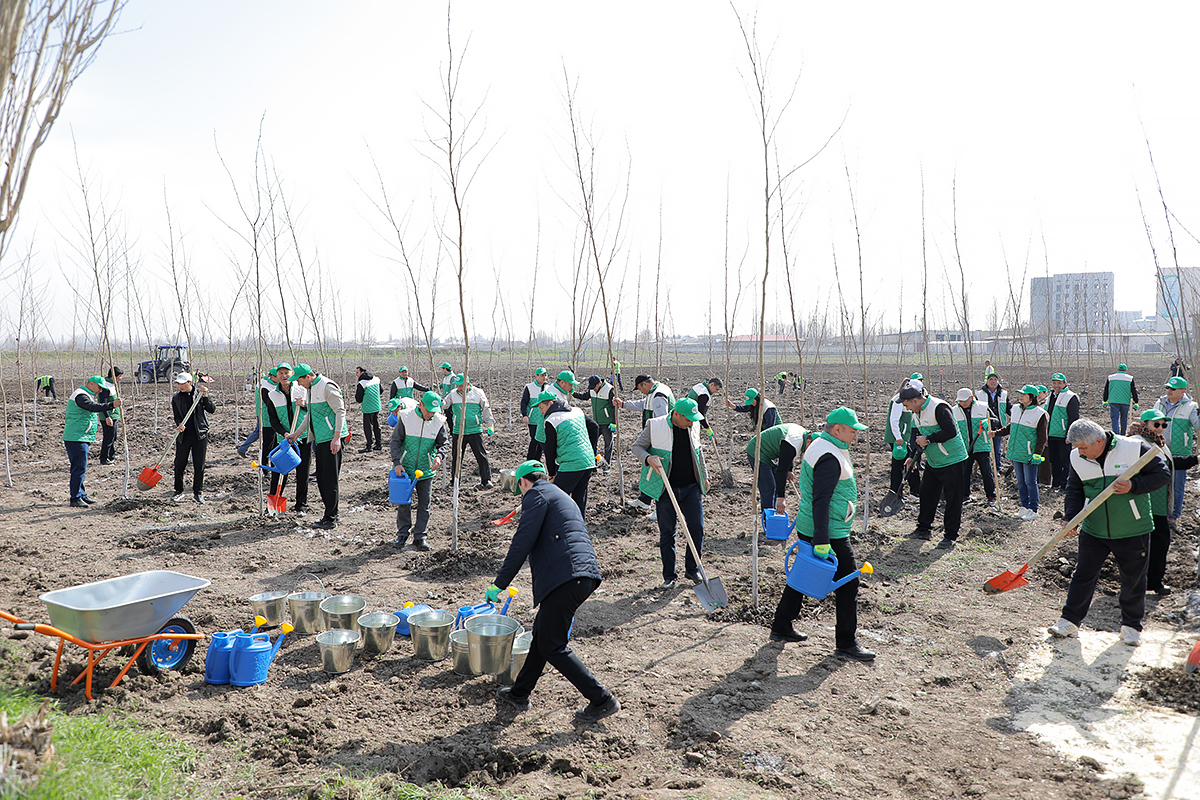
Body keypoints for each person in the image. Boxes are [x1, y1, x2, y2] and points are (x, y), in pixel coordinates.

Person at [490, 460, 618, 722]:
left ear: (523, 482)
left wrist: (500, 583)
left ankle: (602, 700)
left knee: (552, 645)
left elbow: (522, 542)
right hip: (581, 575)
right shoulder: (558, 494)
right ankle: (520, 693)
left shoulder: (535, 495)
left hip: (567, 577)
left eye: (520, 488)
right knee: (542, 635)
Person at [1048, 418, 1169, 647]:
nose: (1080, 452)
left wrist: (1133, 486)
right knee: (1083, 575)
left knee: (1133, 579)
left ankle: (1131, 627)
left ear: (1099, 441)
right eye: (1077, 448)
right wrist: (1071, 518)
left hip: (1132, 527)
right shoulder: (1077, 457)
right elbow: (1074, 489)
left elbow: (1162, 475)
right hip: (1094, 529)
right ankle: (1069, 621)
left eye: (1083, 447)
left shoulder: (1134, 448)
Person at [769, 407, 875, 661]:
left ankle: (781, 624)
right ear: (837, 429)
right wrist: (822, 539)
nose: (856, 436)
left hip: (816, 525)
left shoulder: (822, 445)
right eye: (852, 431)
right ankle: (846, 642)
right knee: (849, 581)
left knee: (803, 573)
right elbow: (821, 499)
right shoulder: (828, 455)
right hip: (829, 530)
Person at [631, 398, 708, 589]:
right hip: (665, 488)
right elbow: (637, 447)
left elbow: (698, 451)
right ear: (676, 414)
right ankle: (669, 576)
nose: (691, 423)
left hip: (691, 487)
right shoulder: (655, 426)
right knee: (667, 532)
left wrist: (705, 475)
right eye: (688, 419)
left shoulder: (693, 425)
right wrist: (648, 458)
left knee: (697, 528)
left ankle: (692, 569)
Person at [1129, 410, 1191, 598]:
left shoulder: (1158, 444)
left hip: (1158, 503)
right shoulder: (1137, 443)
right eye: (1156, 424)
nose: (1161, 428)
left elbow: (1169, 463)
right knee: (1144, 544)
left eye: (1164, 425)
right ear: (1144, 424)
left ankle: (1152, 581)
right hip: (1144, 501)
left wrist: (1195, 460)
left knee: (1159, 542)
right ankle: (1140, 583)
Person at [901, 381, 967, 547]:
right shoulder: (917, 413)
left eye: (906, 405)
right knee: (926, 494)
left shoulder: (939, 407)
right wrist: (912, 457)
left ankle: (950, 536)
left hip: (952, 460)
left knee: (952, 499)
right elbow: (920, 438)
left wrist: (929, 439)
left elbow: (951, 431)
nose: (906, 409)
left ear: (915, 400)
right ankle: (924, 529)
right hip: (934, 461)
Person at [287, 364, 348, 530]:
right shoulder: (311, 389)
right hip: (320, 438)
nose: (298, 384)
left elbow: (340, 411)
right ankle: (332, 513)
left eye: (299, 380)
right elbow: (310, 415)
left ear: (308, 377)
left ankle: (331, 518)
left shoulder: (327, 386)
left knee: (329, 479)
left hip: (331, 439)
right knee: (321, 478)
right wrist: (296, 434)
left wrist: (336, 438)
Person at [390, 391, 448, 551]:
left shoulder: (439, 421)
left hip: (426, 470)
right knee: (404, 503)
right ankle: (402, 534)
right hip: (405, 469)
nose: (430, 414)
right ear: (421, 404)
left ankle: (420, 536)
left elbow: (444, 443)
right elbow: (395, 441)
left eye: (434, 411)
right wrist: (397, 463)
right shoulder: (406, 417)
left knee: (424, 504)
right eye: (428, 410)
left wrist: (439, 457)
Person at [1155, 376, 1199, 572]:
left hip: (1180, 451)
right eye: (1168, 388)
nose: (1169, 391)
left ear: (1183, 391)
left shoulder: (1190, 407)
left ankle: (1173, 516)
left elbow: (1197, 425)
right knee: (1158, 484)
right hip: (1159, 450)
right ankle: (1160, 513)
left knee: (1177, 485)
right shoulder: (1159, 403)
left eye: (1172, 389)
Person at [537, 389, 600, 516]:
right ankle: (579, 525)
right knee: (579, 500)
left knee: (556, 500)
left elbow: (549, 450)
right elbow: (594, 427)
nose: (541, 412)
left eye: (542, 408)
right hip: (587, 463)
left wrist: (552, 473)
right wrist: (591, 451)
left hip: (571, 465)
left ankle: (557, 526)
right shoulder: (577, 411)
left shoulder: (551, 420)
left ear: (550, 404)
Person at [62, 375, 122, 507]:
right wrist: (112, 405)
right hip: (76, 437)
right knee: (78, 468)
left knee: (81, 467)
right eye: (99, 388)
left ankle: (81, 495)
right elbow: (92, 407)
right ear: (91, 384)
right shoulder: (80, 395)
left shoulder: (85, 394)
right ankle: (75, 498)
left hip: (80, 436)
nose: (100, 391)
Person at [991, 384, 1048, 520]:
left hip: (1029, 454)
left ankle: (1033, 509)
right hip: (1016, 451)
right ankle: (1024, 506)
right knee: (1021, 482)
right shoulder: (1016, 409)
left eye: (1024, 394)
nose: (1020, 396)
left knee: (1030, 482)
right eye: (1020, 394)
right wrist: (995, 433)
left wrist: (1037, 454)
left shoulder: (1040, 414)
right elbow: (1011, 427)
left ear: (1032, 397)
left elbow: (1042, 437)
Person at [746, 422, 815, 514]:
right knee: (769, 487)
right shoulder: (794, 442)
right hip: (758, 450)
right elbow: (782, 469)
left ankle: (775, 513)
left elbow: (788, 455)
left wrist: (789, 470)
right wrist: (781, 498)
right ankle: (768, 518)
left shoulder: (802, 435)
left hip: (772, 453)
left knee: (775, 484)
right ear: (808, 441)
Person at [442, 374, 495, 489]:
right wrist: (438, 401)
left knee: (481, 455)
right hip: (458, 431)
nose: (459, 388)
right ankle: (455, 481)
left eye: (461, 386)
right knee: (457, 457)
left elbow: (486, 408)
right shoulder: (453, 394)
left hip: (475, 429)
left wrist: (490, 424)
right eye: (457, 386)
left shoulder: (478, 393)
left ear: (468, 384)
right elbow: (444, 405)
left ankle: (486, 480)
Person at [171, 372, 215, 503]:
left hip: (200, 434)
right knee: (179, 463)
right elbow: (177, 416)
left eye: (182, 384)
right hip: (184, 436)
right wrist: (179, 424)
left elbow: (212, 409)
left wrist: (205, 396)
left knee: (199, 464)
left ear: (190, 383)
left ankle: (198, 493)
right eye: (178, 384)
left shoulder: (199, 394)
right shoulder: (176, 399)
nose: (180, 386)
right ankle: (178, 491)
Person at [954, 387, 996, 506]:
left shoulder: (982, 407)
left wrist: (988, 422)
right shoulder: (954, 411)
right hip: (964, 447)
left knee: (986, 471)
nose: (963, 403)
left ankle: (991, 495)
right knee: (965, 472)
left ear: (972, 398)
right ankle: (964, 495)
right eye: (960, 401)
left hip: (981, 445)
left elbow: (996, 421)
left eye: (965, 400)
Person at [884, 378, 921, 505]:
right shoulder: (899, 401)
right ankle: (914, 491)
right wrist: (898, 438)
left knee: (900, 464)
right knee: (908, 462)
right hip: (899, 438)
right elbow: (894, 420)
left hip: (902, 437)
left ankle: (897, 493)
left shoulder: (902, 398)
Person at [1046, 373, 1080, 491]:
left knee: (1065, 461)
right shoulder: (1050, 396)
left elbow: (1073, 418)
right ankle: (1055, 483)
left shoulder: (1070, 397)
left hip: (1063, 435)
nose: (1056, 385)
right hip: (1051, 434)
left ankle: (1064, 484)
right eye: (1054, 383)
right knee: (1054, 461)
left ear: (1065, 383)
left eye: (1059, 383)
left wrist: (1070, 435)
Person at [573, 374, 616, 468]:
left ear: (599, 383)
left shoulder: (609, 390)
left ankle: (606, 465)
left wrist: (614, 422)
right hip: (596, 422)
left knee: (608, 445)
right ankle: (593, 464)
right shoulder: (592, 389)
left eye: (594, 387)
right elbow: (585, 396)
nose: (593, 389)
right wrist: (573, 393)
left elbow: (615, 407)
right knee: (592, 443)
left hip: (607, 423)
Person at [976, 373, 1009, 472]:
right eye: (991, 379)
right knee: (983, 450)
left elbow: (1009, 408)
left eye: (995, 379)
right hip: (984, 427)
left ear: (998, 382)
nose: (993, 381)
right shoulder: (979, 394)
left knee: (997, 450)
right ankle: (985, 470)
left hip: (998, 427)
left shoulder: (1003, 394)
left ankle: (996, 469)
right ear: (987, 382)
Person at [520, 367, 551, 461]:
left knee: (542, 440)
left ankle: (537, 460)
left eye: (545, 375)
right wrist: (525, 415)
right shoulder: (529, 387)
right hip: (533, 419)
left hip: (544, 419)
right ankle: (530, 460)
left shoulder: (549, 387)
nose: (544, 377)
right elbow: (524, 402)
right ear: (536, 376)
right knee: (534, 439)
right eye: (542, 375)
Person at [1103, 363, 1138, 435]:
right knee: (1124, 419)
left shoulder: (1110, 378)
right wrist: (1136, 402)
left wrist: (1105, 400)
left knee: (1114, 418)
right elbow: (1133, 391)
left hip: (1113, 401)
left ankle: (1116, 434)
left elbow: (1106, 390)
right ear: (1126, 370)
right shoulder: (1130, 378)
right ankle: (1123, 434)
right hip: (1125, 402)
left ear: (1117, 369)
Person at [353, 366, 383, 453]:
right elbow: (381, 390)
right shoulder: (376, 379)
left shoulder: (362, 383)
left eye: (357, 372)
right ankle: (378, 444)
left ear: (362, 372)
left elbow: (358, 399)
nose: (356, 374)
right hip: (376, 405)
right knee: (376, 425)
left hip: (368, 408)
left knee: (368, 427)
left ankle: (369, 446)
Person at [97, 366, 123, 465]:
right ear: (113, 377)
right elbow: (103, 403)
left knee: (113, 436)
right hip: (108, 416)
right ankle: (104, 458)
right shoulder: (105, 387)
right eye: (119, 376)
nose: (120, 378)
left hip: (113, 415)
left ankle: (111, 455)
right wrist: (107, 417)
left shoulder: (112, 385)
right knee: (108, 437)